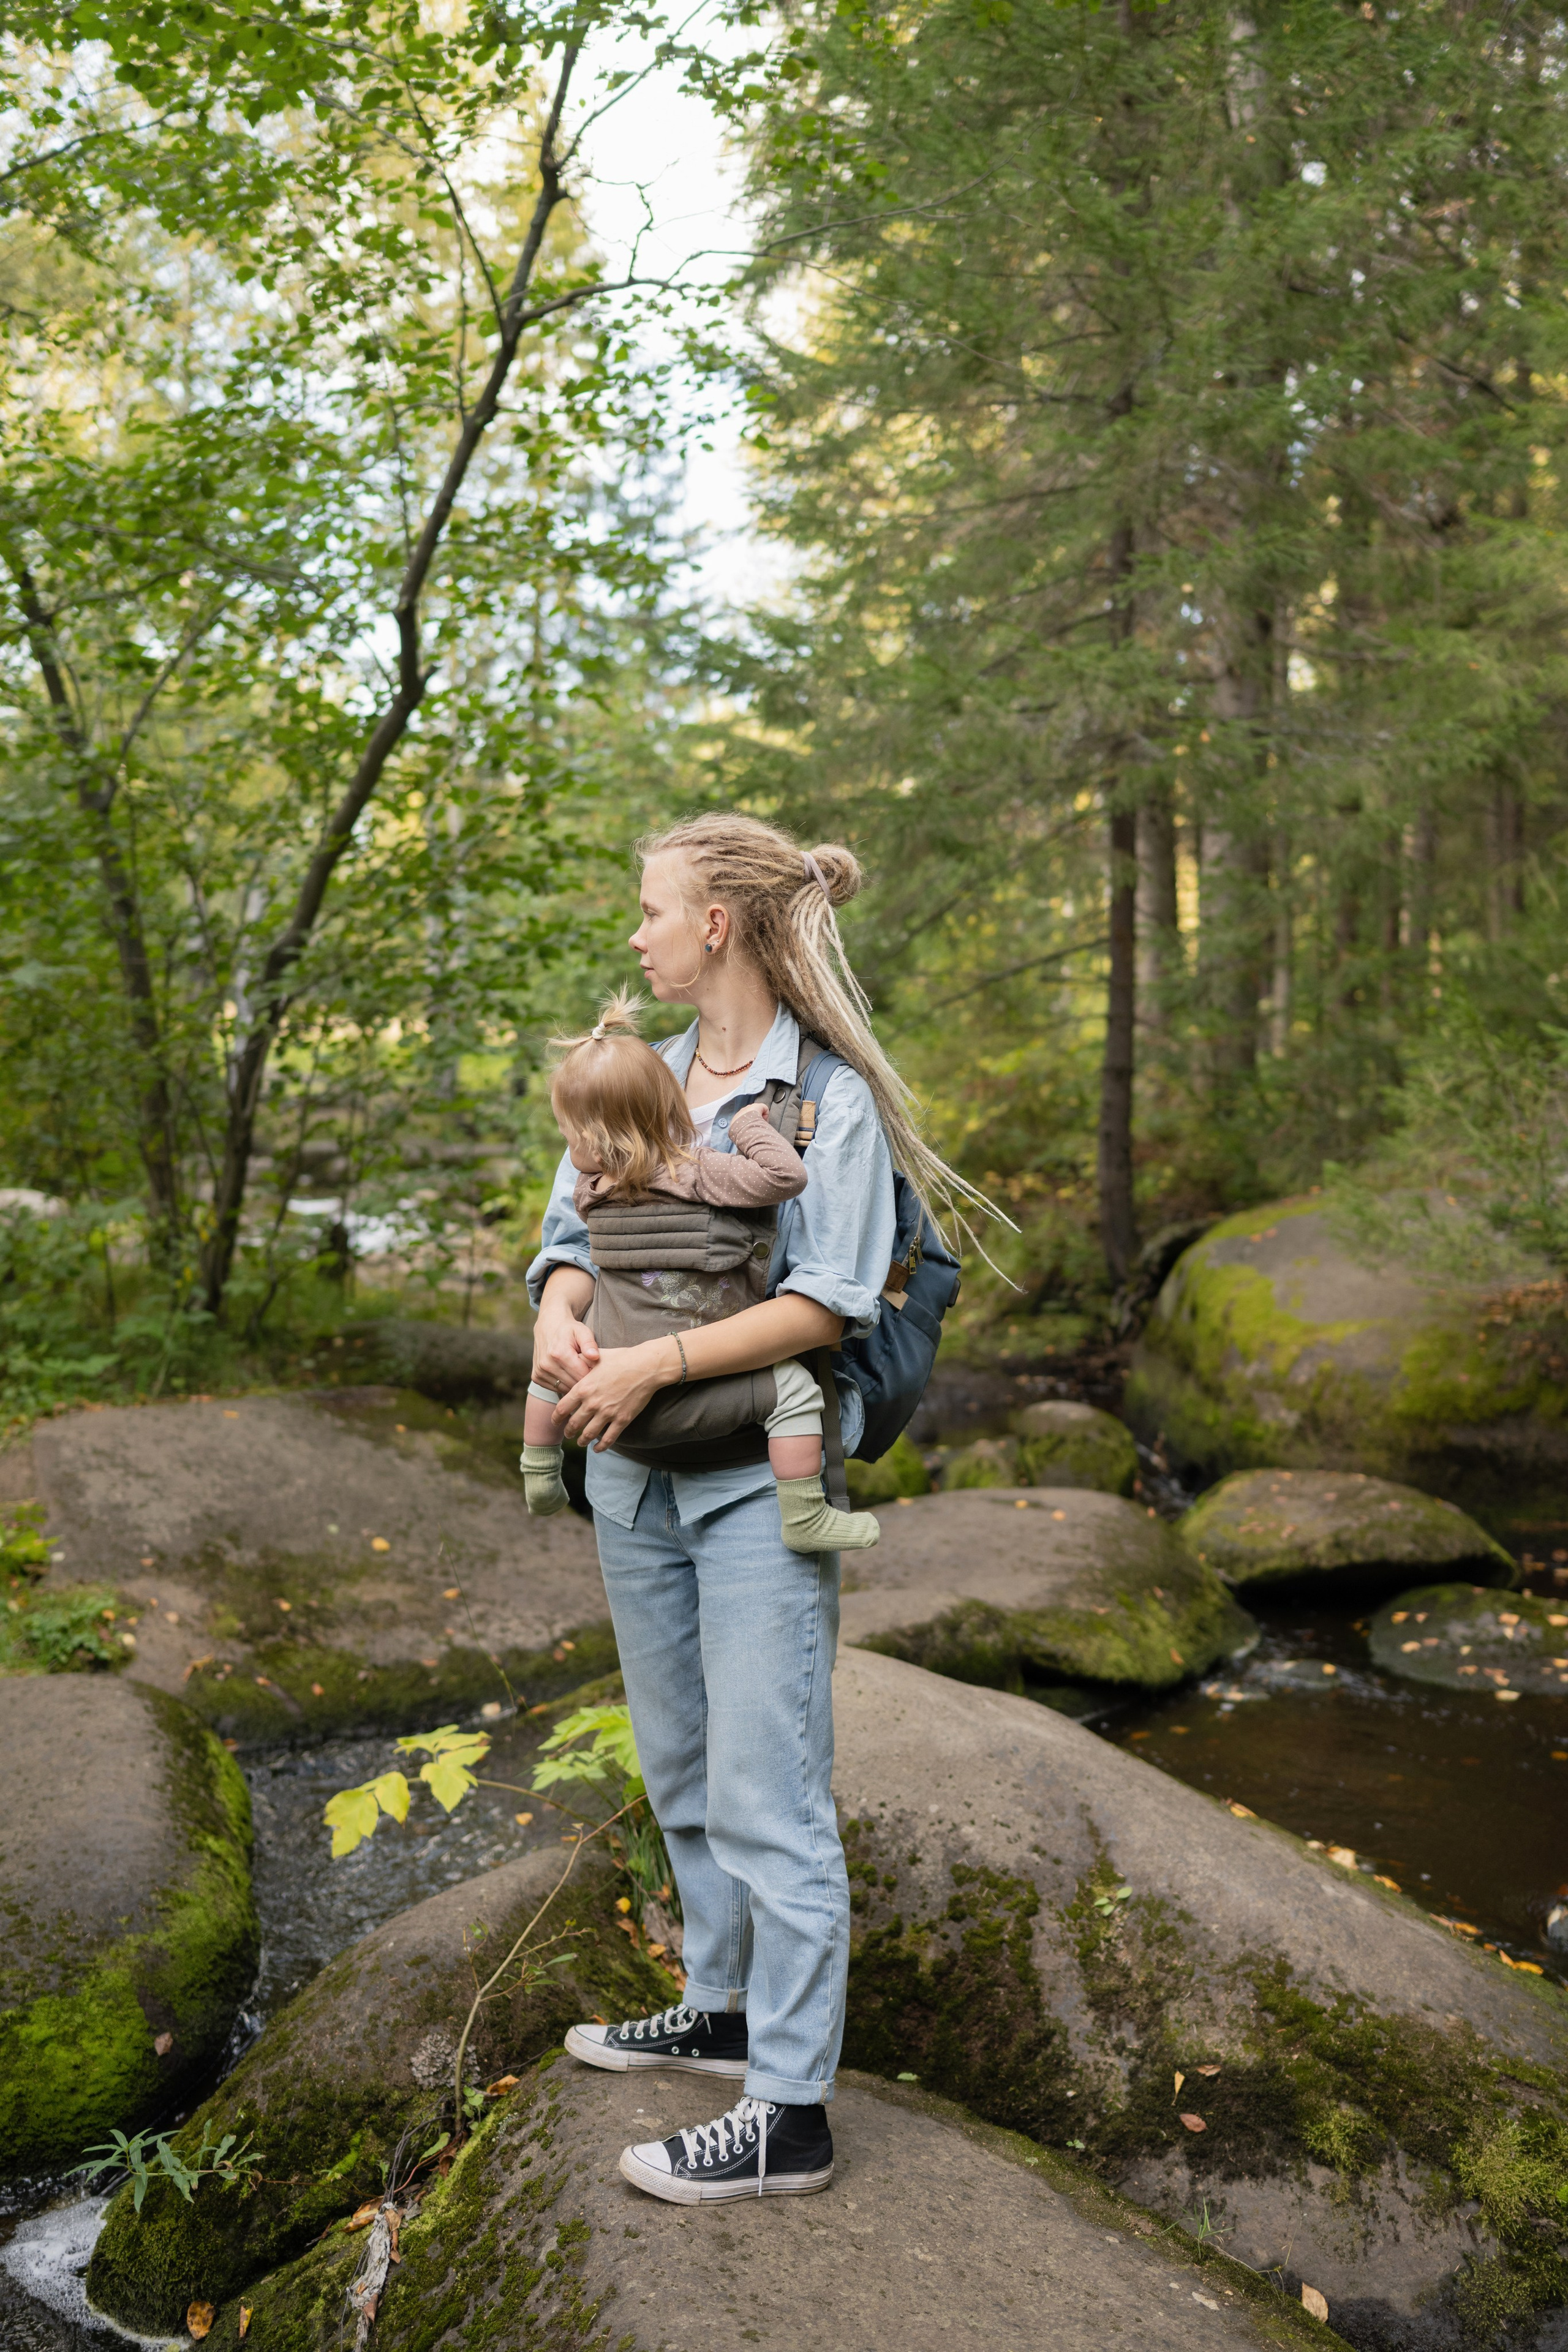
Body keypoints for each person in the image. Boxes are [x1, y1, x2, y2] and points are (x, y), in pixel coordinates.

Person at [526, 813, 986, 2206]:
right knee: (676, 1762)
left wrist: (654, 1357)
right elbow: (561, 1244)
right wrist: (557, 1329)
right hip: (626, 1474)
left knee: (767, 1793)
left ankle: (786, 2109)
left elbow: (827, 1297)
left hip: (750, 1482)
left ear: (715, 923)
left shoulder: (825, 1099)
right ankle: (719, 2004)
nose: (636, 929)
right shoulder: (640, 1073)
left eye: (650, 907)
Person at [519, 990, 881, 1556]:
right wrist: (749, 1130)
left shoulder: (594, 1188)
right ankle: (805, 1510)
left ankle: (540, 1469)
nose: (638, 938)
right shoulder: (699, 1173)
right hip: (691, 1417)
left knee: (549, 1372)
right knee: (793, 1392)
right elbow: (780, 1179)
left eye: (652, 913)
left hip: (623, 1405)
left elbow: (578, 1245)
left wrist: (565, 1325)